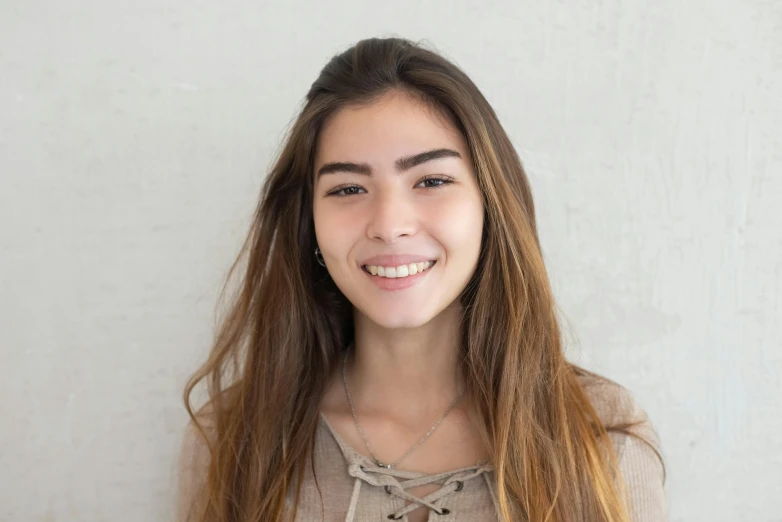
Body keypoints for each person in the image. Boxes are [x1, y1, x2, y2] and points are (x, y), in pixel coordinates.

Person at [176, 37, 666, 522]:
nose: (389, 225)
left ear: (490, 205)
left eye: (431, 181)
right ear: (310, 225)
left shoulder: (600, 435)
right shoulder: (236, 439)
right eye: (348, 188)